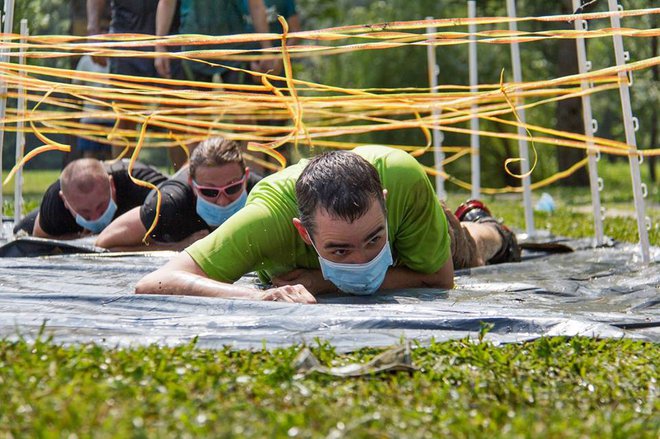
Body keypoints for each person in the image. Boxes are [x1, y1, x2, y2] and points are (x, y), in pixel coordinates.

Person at [135, 146, 520, 303]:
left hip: (415, 216)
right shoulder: (266, 222)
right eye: (340, 250)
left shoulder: (402, 183)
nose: (362, 260)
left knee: (473, 246)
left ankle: (486, 224)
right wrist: (260, 298)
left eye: (372, 240)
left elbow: (439, 279)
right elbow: (154, 282)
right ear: (303, 233)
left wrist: (324, 280)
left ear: (383, 207)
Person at [95, 136, 262, 251]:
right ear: (192, 184)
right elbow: (104, 243)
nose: (222, 201)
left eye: (232, 188)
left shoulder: (262, 192)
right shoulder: (169, 203)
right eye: (209, 192)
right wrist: (177, 246)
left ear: (246, 178)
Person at [86, 0, 185, 169]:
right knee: (125, 117)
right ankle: (120, 179)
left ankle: (184, 184)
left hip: (169, 36)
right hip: (125, 38)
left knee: (175, 119)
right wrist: (93, 29)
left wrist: (161, 43)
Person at [13, 158, 167, 240]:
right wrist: (78, 240)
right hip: (52, 222)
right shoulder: (55, 203)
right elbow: (41, 245)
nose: (95, 218)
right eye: (85, 213)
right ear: (65, 202)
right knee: (19, 232)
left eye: (101, 208)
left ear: (112, 186)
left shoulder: (140, 182)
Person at [73, 54, 113, 160]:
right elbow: (76, 88)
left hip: (113, 119)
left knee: (112, 157)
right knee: (89, 155)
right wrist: (95, 98)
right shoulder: (86, 60)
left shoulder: (116, 59)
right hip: (90, 118)